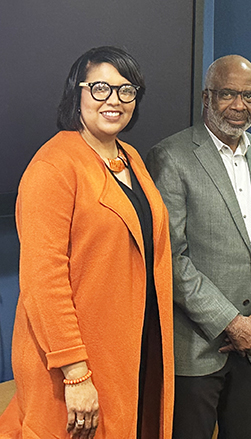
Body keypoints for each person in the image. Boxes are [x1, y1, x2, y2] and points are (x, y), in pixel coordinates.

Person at [0, 46, 174, 438]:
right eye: (99, 88)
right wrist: (76, 373)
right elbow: (44, 280)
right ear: (75, 93)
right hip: (75, 367)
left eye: (126, 90)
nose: (114, 100)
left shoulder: (130, 158)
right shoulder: (53, 166)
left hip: (132, 353)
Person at [145, 55, 251, 439]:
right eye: (228, 94)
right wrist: (231, 323)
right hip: (198, 351)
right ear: (205, 96)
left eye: (250, 96)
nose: (239, 106)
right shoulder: (171, 156)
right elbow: (172, 258)